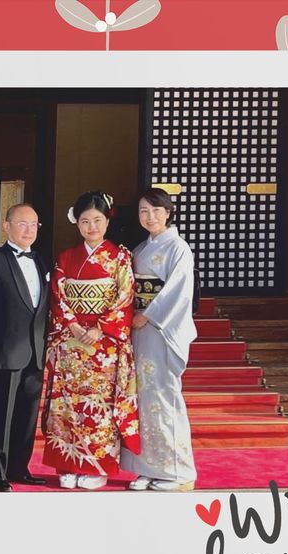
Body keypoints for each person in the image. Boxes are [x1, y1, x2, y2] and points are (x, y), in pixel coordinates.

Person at [41, 191, 139, 490]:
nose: (91, 227)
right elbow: (58, 296)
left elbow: (125, 296)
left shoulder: (120, 257)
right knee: (67, 406)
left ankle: (97, 467)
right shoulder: (66, 257)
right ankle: (66, 464)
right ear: (77, 223)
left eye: (97, 220)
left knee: (98, 408)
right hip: (71, 345)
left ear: (107, 221)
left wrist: (100, 327)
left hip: (103, 346)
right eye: (85, 221)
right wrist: (71, 325)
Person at [120, 188, 198, 491]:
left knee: (163, 398)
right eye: (143, 211)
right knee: (142, 399)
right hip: (139, 330)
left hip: (160, 329)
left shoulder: (178, 248)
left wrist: (148, 315)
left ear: (168, 212)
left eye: (155, 210)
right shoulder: (140, 249)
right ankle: (150, 467)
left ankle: (178, 471)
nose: (149, 217)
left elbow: (178, 292)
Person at [0, 203, 50, 492]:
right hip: (2, 350)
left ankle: (18, 467)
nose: (29, 230)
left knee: (27, 415)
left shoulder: (42, 261)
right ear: (7, 226)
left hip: (36, 351)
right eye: (22, 224)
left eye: (34, 225)